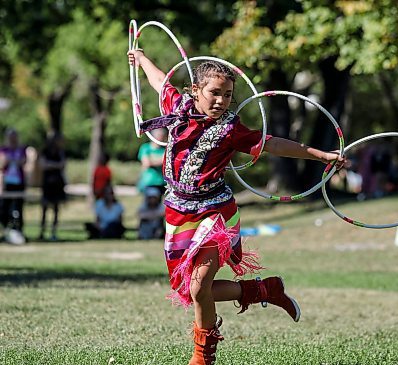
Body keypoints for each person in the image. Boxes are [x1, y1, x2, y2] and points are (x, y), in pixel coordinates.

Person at [128, 50, 345, 365]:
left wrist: (321, 155)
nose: (221, 100)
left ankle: (202, 356)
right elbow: (161, 82)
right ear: (195, 90)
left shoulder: (231, 129)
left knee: (199, 284)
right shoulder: (179, 108)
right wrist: (142, 58)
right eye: (214, 92)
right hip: (178, 213)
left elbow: (272, 143)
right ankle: (264, 290)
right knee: (191, 291)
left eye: (228, 95)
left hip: (216, 212)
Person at [0, 128, 27, 241]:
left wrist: (11, 160)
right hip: (6, 182)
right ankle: (6, 230)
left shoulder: (21, 150)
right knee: (4, 208)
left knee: (18, 208)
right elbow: (2, 163)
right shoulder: (4, 149)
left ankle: (18, 229)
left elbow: (23, 162)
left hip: (18, 182)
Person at [39, 133, 66, 241]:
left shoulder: (60, 152)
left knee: (56, 209)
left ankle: (53, 232)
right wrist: (56, 165)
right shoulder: (45, 151)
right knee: (44, 208)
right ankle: (42, 231)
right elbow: (43, 165)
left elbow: (63, 165)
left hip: (57, 184)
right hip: (47, 184)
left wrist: (50, 165)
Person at [137, 128, 166, 195]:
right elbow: (146, 163)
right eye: (159, 135)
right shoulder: (145, 148)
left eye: (162, 135)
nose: (160, 137)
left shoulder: (165, 149)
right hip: (150, 182)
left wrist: (152, 159)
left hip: (162, 182)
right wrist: (161, 160)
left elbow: (166, 162)